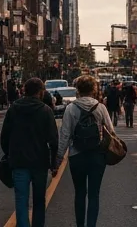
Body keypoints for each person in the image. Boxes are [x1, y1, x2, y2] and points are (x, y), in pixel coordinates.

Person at [56, 75, 113, 227]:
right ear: (94, 90)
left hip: (77, 155)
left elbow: (65, 135)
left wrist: (58, 159)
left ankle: (80, 224)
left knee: (80, 193)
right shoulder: (101, 107)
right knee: (94, 194)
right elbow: (111, 132)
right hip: (97, 156)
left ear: (78, 90)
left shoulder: (71, 108)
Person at [1, 78, 58, 227]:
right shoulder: (46, 111)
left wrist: (9, 154)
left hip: (19, 161)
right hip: (40, 162)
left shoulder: (13, 109)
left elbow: (4, 136)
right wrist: (53, 164)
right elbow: (53, 139)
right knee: (39, 200)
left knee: (21, 200)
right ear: (40, 92)